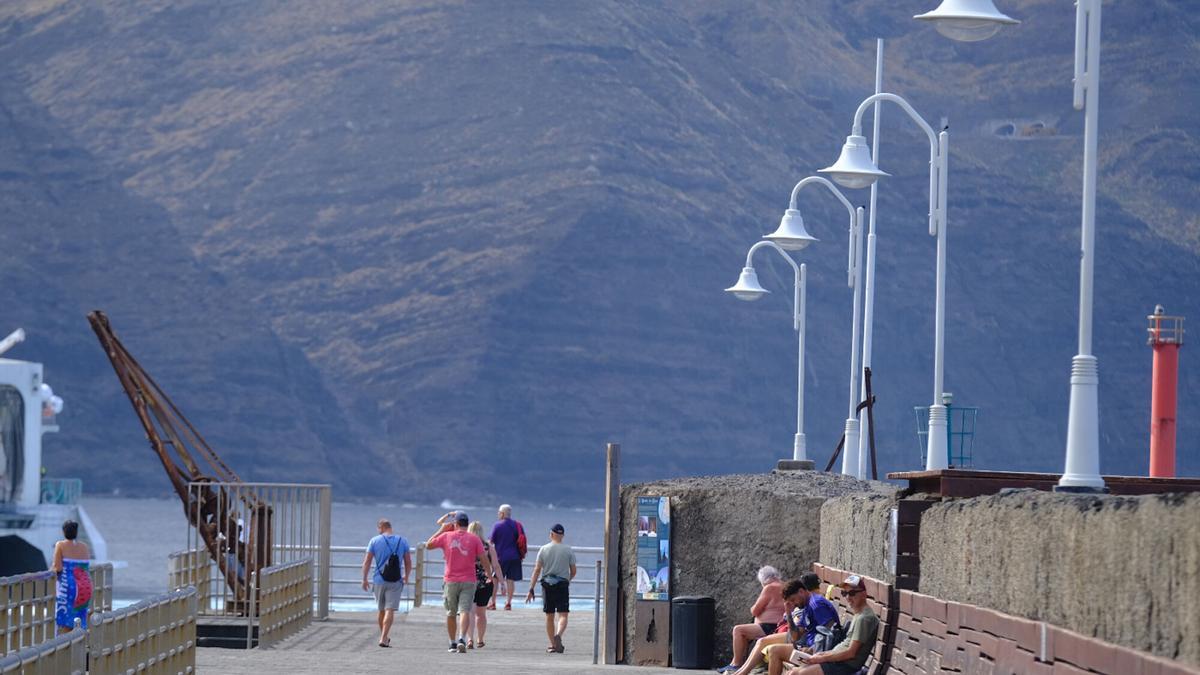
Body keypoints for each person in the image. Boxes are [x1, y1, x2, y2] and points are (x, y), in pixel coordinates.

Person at [779, 574, 879, 675]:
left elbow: (851, 653)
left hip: (844, 666)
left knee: (796, 673)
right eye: (844, 593)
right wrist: (822, 654)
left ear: (864, 594)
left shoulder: (864, 618)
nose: (848, 597)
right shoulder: (859, 615)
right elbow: (795, 636)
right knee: (792, 672)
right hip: (837, 661)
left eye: (852, 593)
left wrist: (822, 657)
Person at [746, 574, 841, 675]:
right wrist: (788, 613)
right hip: (808, 647)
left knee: (776, 653)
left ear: (801, 591)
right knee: (773, 650)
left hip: (820, 650)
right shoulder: (805, 607)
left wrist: (812, 649)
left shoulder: (816, 604)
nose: (793, 603)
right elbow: (795, 637)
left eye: (793, 599)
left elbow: (830, 632)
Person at [428, 512, 494, 653]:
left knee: (451, 612)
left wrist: (442, 530)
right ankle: (462, 638)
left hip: (450, 580)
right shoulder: (475, 539)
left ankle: (452, 643)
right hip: (469, 580)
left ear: (455, 524)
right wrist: (489, 574)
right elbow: (484, 559)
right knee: (465, 610)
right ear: (466, 523)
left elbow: (428, 545)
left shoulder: (446, 536)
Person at [716, 566, 786, 672]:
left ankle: (736, 663)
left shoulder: (770, 587)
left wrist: (753, 608)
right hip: (777, 625)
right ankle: (741, 663)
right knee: (745, 633)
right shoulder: (784, 585)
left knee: (738, 630)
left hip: (769, 627)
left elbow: (755, 610)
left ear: (763, 579)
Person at [525, 523, 576, 654]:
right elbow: (574, 570)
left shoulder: (543, 549)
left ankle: (553, 644)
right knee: (563, 614)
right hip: (562, 585)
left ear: (551, 534)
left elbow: (537, 570)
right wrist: (567, 580)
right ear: (562, 535)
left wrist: (531, 588)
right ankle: (558, 635)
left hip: (547, 585)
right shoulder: (568, 549)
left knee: (549, 616)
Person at [361, 518, 411, 648]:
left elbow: (367, 561)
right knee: (390, 610)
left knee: (381, 610)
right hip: (395, 580)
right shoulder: (402, 541)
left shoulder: (374, 541)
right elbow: (408, 561)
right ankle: (384, 637)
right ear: (390, 527)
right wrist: (406, 576)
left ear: (381, 527)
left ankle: (383, 636)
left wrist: (364, 579)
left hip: (378, 580)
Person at [464, 520, 502, 648]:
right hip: (485, 582)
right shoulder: (488, 546)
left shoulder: (465, 545)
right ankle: (480, 639)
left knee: (469, 612)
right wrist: (502, 583)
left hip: (468, 581)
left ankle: (469, 639)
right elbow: (496, 566)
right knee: (481, 614)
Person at [52, 519, 91, 633]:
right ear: (76, 532)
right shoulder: (84, 546)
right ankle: (80, 646)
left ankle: (65, 648)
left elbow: (58, 567)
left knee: (66, 620)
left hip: (68, 585)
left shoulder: (60, 545)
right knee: (79, 620)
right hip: (85, 585)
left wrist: (51, 569)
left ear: (64, 532)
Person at [489, 504, 525, 610]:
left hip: (501, 557)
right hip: (515, 557)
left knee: (495, 580)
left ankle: (493, 602)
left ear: (502, 513)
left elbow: (490, 541)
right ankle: (508, 603)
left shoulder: (497, 525)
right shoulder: (518, 525)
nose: (498, 514)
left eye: (499, 512)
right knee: (510, 580)